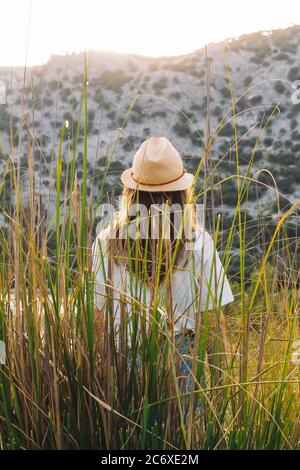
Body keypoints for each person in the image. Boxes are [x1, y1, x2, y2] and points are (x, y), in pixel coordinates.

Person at [91, 136, 234, 413]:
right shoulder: (199, 243)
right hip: (183, 362)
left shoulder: (106, 243)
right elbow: (212, 328)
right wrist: (220, 393)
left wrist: (103, 381)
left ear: (130, 193)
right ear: (182, 193)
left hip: (123, 363)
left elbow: (99, 325)